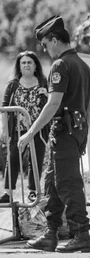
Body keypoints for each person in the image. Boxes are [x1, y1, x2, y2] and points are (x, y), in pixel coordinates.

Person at [17, 15, 90, 253]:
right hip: (74, 132)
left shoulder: (61, 65)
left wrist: (30, 133)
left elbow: (53, 104)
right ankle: (50, 234)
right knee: (52, 185)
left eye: (44, 45)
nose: (44, 50)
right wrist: (85, 132)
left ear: (53, 40)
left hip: (64, 132)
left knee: (68, 184)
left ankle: (82, 234)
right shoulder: (82, 64)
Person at [0, 51, 49, 203]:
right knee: (13, 158)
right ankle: (8, 193)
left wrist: (47, 95)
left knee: (36, 159)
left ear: (35, 66)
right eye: (23, 63)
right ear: (19, 66)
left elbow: (52, 103)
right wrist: (4, 129)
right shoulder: (13, 84)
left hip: (38, 128)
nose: (26, 65)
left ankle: (33, 192)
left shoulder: (42, 81)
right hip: (17, 130)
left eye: (29, 62)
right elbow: (4, 107)